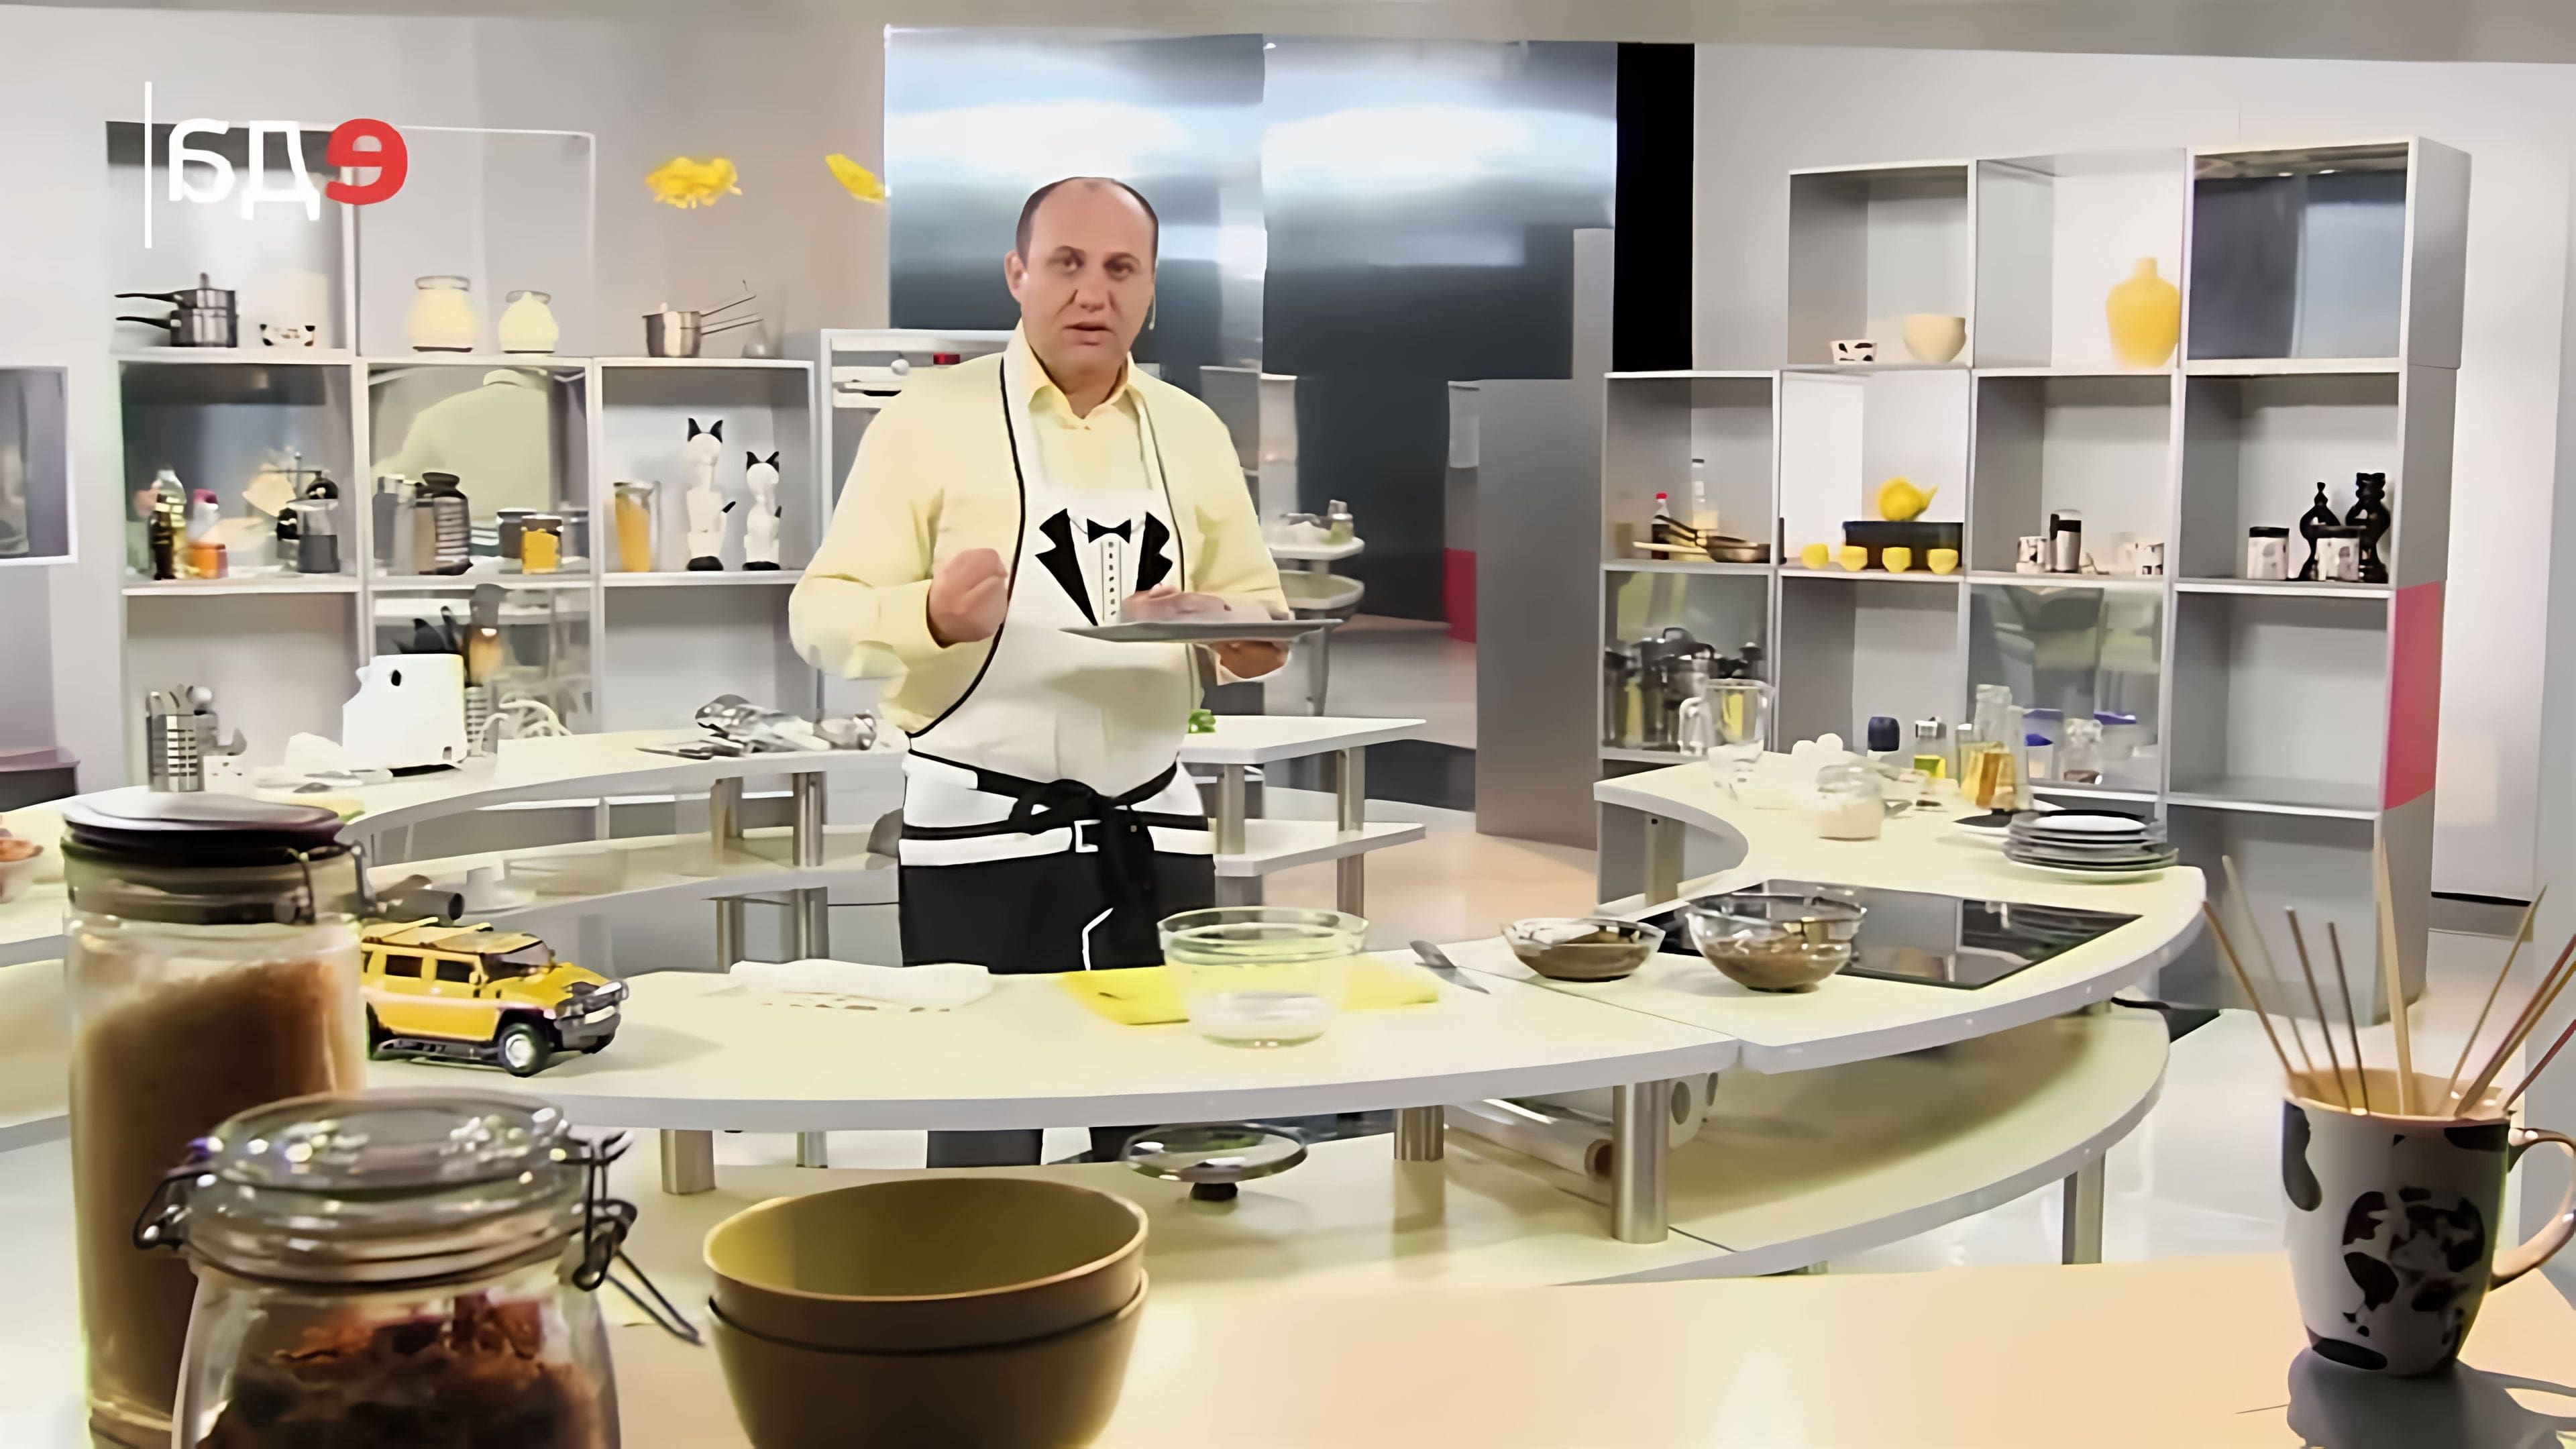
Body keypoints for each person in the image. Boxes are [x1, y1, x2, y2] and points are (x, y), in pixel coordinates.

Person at [790, 177, 1289, 1165]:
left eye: (1121, 268)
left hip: (1153, 829)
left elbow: (1256, 608)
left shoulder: (1191, 430)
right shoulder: (929, 415)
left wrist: (1246, 638)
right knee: (985, 1134)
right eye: (1067, 263)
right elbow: (819, 614)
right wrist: (930, 614)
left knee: (1163, 1132)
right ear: (1018, 274)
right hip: (979, 833)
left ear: (1152, 288)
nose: (1093, 292)